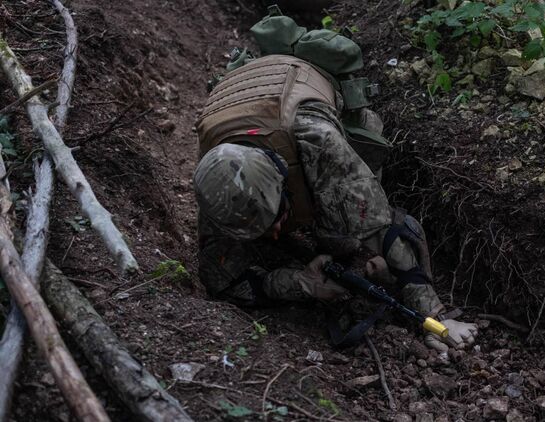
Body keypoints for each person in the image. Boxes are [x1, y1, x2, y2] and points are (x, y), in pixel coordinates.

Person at [193, 9, 478, 351]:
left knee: (343, 233)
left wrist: (435, 319)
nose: (274, 232)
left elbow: (382, 228)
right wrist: (301, 283)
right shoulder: (220, 181)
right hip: (247, 100)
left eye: (275, 218)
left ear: (282, 178)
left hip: (312, 102)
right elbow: (221, 279)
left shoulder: (319, 143)